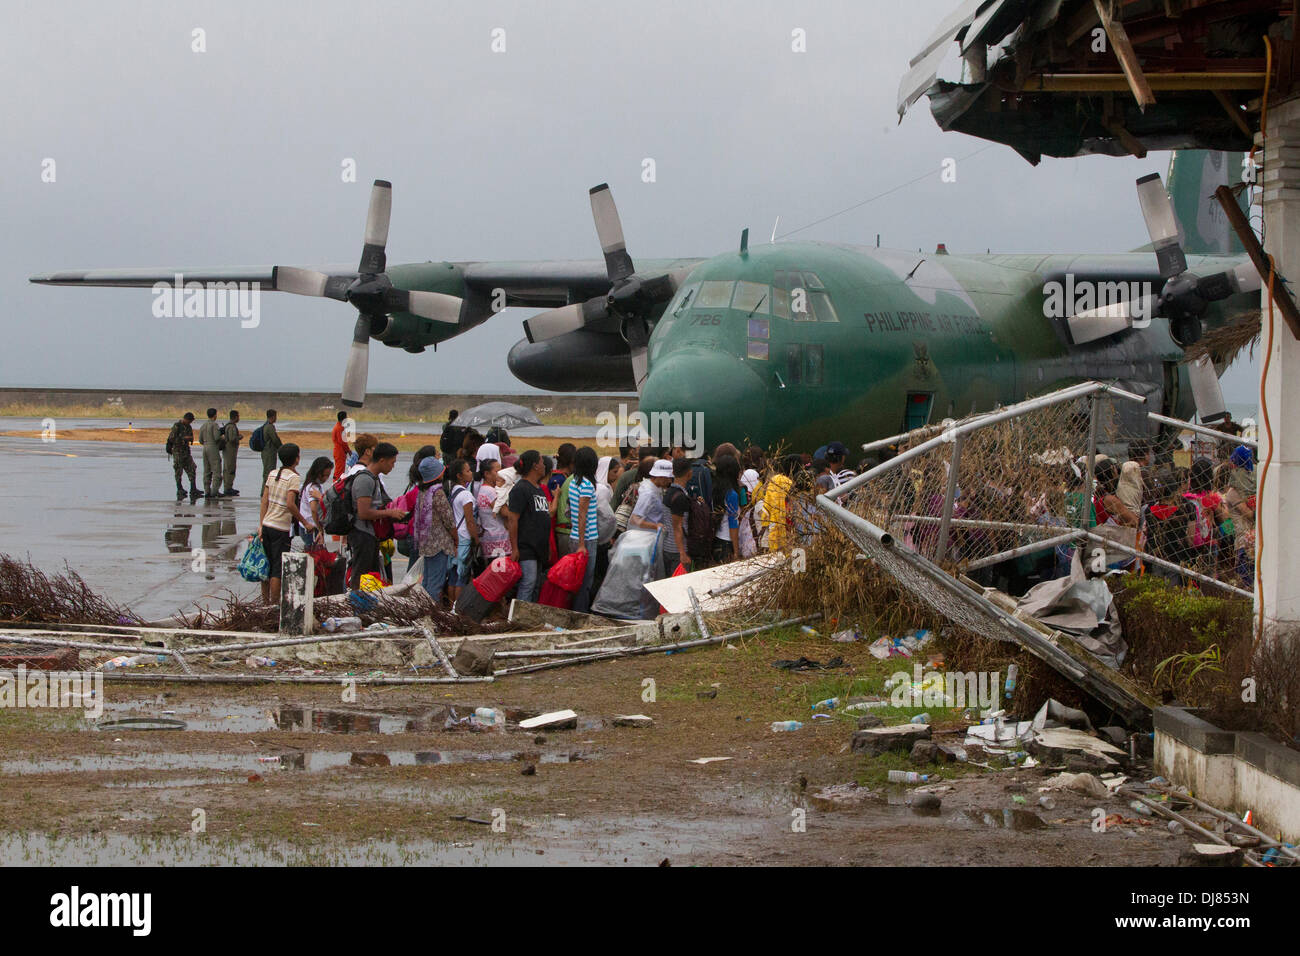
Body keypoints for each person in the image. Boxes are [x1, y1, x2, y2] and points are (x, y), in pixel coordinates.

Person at [348, 441, 405, 589]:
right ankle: (355, 605)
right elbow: (363, 512)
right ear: (382, 460)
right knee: (361, 576)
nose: (393, 467)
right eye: (392, 462)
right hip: (362, 535)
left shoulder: (374, 478)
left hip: (370, 535)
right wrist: (389, 513)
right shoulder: (365, 479)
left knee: (371, 577)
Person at [258, 443, 308, 604]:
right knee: (277, 570)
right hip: (281, 529)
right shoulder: (293, 478)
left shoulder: (272, 474)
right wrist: (305, 522)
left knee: (266, 565)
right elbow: (290, 504)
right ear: (296, 459)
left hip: (266, 526)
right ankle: (274, 604)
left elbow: (264, 500)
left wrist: (260, 525)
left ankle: (265, 603)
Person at [629, 458, 674, 618]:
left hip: (650, 541)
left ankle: (646, 610)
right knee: (645, 578)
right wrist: (656, 526)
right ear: (660, 477)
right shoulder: (648, 493)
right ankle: (641, 613)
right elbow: (635, 519)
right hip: (645, 542)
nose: (669, 481)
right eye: (668, 478)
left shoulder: (653, 488)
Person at [505, 450, 551, 603]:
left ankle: (530, 618)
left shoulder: (538, 488)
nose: (544, 465)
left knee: (536, 584)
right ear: (535, 466)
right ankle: (518, 620)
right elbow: (513, 519)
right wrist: (515, 548)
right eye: (541, 462)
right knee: (528, 583)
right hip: (526, 547)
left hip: (539, 548)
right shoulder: (520, 489)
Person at [411, 456, 457, 602]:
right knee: (436, 583)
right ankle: (430, 615)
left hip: (426, 543)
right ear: (438, 474)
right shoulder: (438, 492)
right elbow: (449, 519)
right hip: (439, 544)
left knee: (427, 581)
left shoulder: (422, 492)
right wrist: (456, 538)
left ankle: (423, 609)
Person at [568, 447, 600, 612]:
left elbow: (571, 512)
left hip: (575, 536)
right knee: (585, 582)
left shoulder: (574, 481)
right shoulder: (587, 485)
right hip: (586, 539)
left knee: (577, 580)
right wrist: (582, 544)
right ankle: (581, 613)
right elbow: (582, 515)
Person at [446, 458, 479, 604]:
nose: (470, 473)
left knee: (453, 576)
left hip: (455, 537)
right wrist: (475, 539)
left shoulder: (453, 491)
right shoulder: (466, 495)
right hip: (465, 538)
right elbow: (470, 521)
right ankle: (457, 607)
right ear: (459, 476)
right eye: (467, 470)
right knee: (462, 577)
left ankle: (451, 607)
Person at [475, 458, 511, 561]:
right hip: (498, 540)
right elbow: (505, 513)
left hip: (491, 537)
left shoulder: (483, 489)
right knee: (500, 573)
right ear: (487, 473)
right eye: (497, 472)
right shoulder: (491, 492)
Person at [663, 457, 694, 572]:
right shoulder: (680, 497)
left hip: (667, 546)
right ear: (689, 473)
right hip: (676, 551)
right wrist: (682, 553)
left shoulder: (669, 492)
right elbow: (677, 526)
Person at [712, 454, 742, 564]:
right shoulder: (732, 494)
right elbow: (733, 523)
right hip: (727, 542)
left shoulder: (715, 489)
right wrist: (736, 552)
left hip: (717, 539)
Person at [298, 457, 332, 551]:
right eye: (324, 475)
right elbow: (314, 510)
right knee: (314, 553)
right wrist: (320, 529)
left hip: (311, 525)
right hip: (311, 527)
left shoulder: (313, 484)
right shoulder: (313, 488)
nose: (325, 478)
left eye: (328, 476)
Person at [762, 456, 796, 551]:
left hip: (774, 538)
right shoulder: (793, 506)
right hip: (788, 540)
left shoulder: (770, 493)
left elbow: (764, 517)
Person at [167, 412, 200, 503]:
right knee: (178, 470)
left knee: (192, 468)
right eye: (190, 421)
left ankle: (193, 489)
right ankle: (179, 489)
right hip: (178, 452)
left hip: (186, 452)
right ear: (186, 419)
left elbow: (191, 437)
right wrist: (183, 438)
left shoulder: (189, 427)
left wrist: (189, 438)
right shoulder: (177, 426)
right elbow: (171, 439)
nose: (190, 423)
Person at [198, 407, 224, 499]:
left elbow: (200, 440)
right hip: (213, 447)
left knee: (207, 471)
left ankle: (207, 491)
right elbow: (217, 437)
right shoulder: (214, 425)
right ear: (215, 415)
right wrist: (222, 435)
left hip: (205, 447)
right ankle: (214, 491)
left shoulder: (203, 425)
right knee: (216, 470)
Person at [259, 409, 283, 487]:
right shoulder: (269, 427)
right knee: (269, 473)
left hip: (266, 452)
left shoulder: (266, 425)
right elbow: (275, 439)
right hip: (269, 453)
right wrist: (281, 447)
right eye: (275, 416)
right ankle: (265, 491)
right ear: (273, 417)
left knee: (267, 472)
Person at [220, 410, 241, 496]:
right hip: (230, 450)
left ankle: (227, 487)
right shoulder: (231, 427)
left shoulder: (228, 426)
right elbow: (232, 439)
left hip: (228, 449)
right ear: (235, 417)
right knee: (230, 469)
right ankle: (228, 488)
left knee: (227, 468)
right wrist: (239, 437)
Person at [331, 411, 350, 480]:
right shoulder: (340, 428)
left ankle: (337, 482)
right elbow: (342, 442)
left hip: (338, 450)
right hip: (340, 451)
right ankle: (337, 483)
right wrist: (349, 451)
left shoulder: (338, 426)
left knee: (340, 469)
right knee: (340, 470)